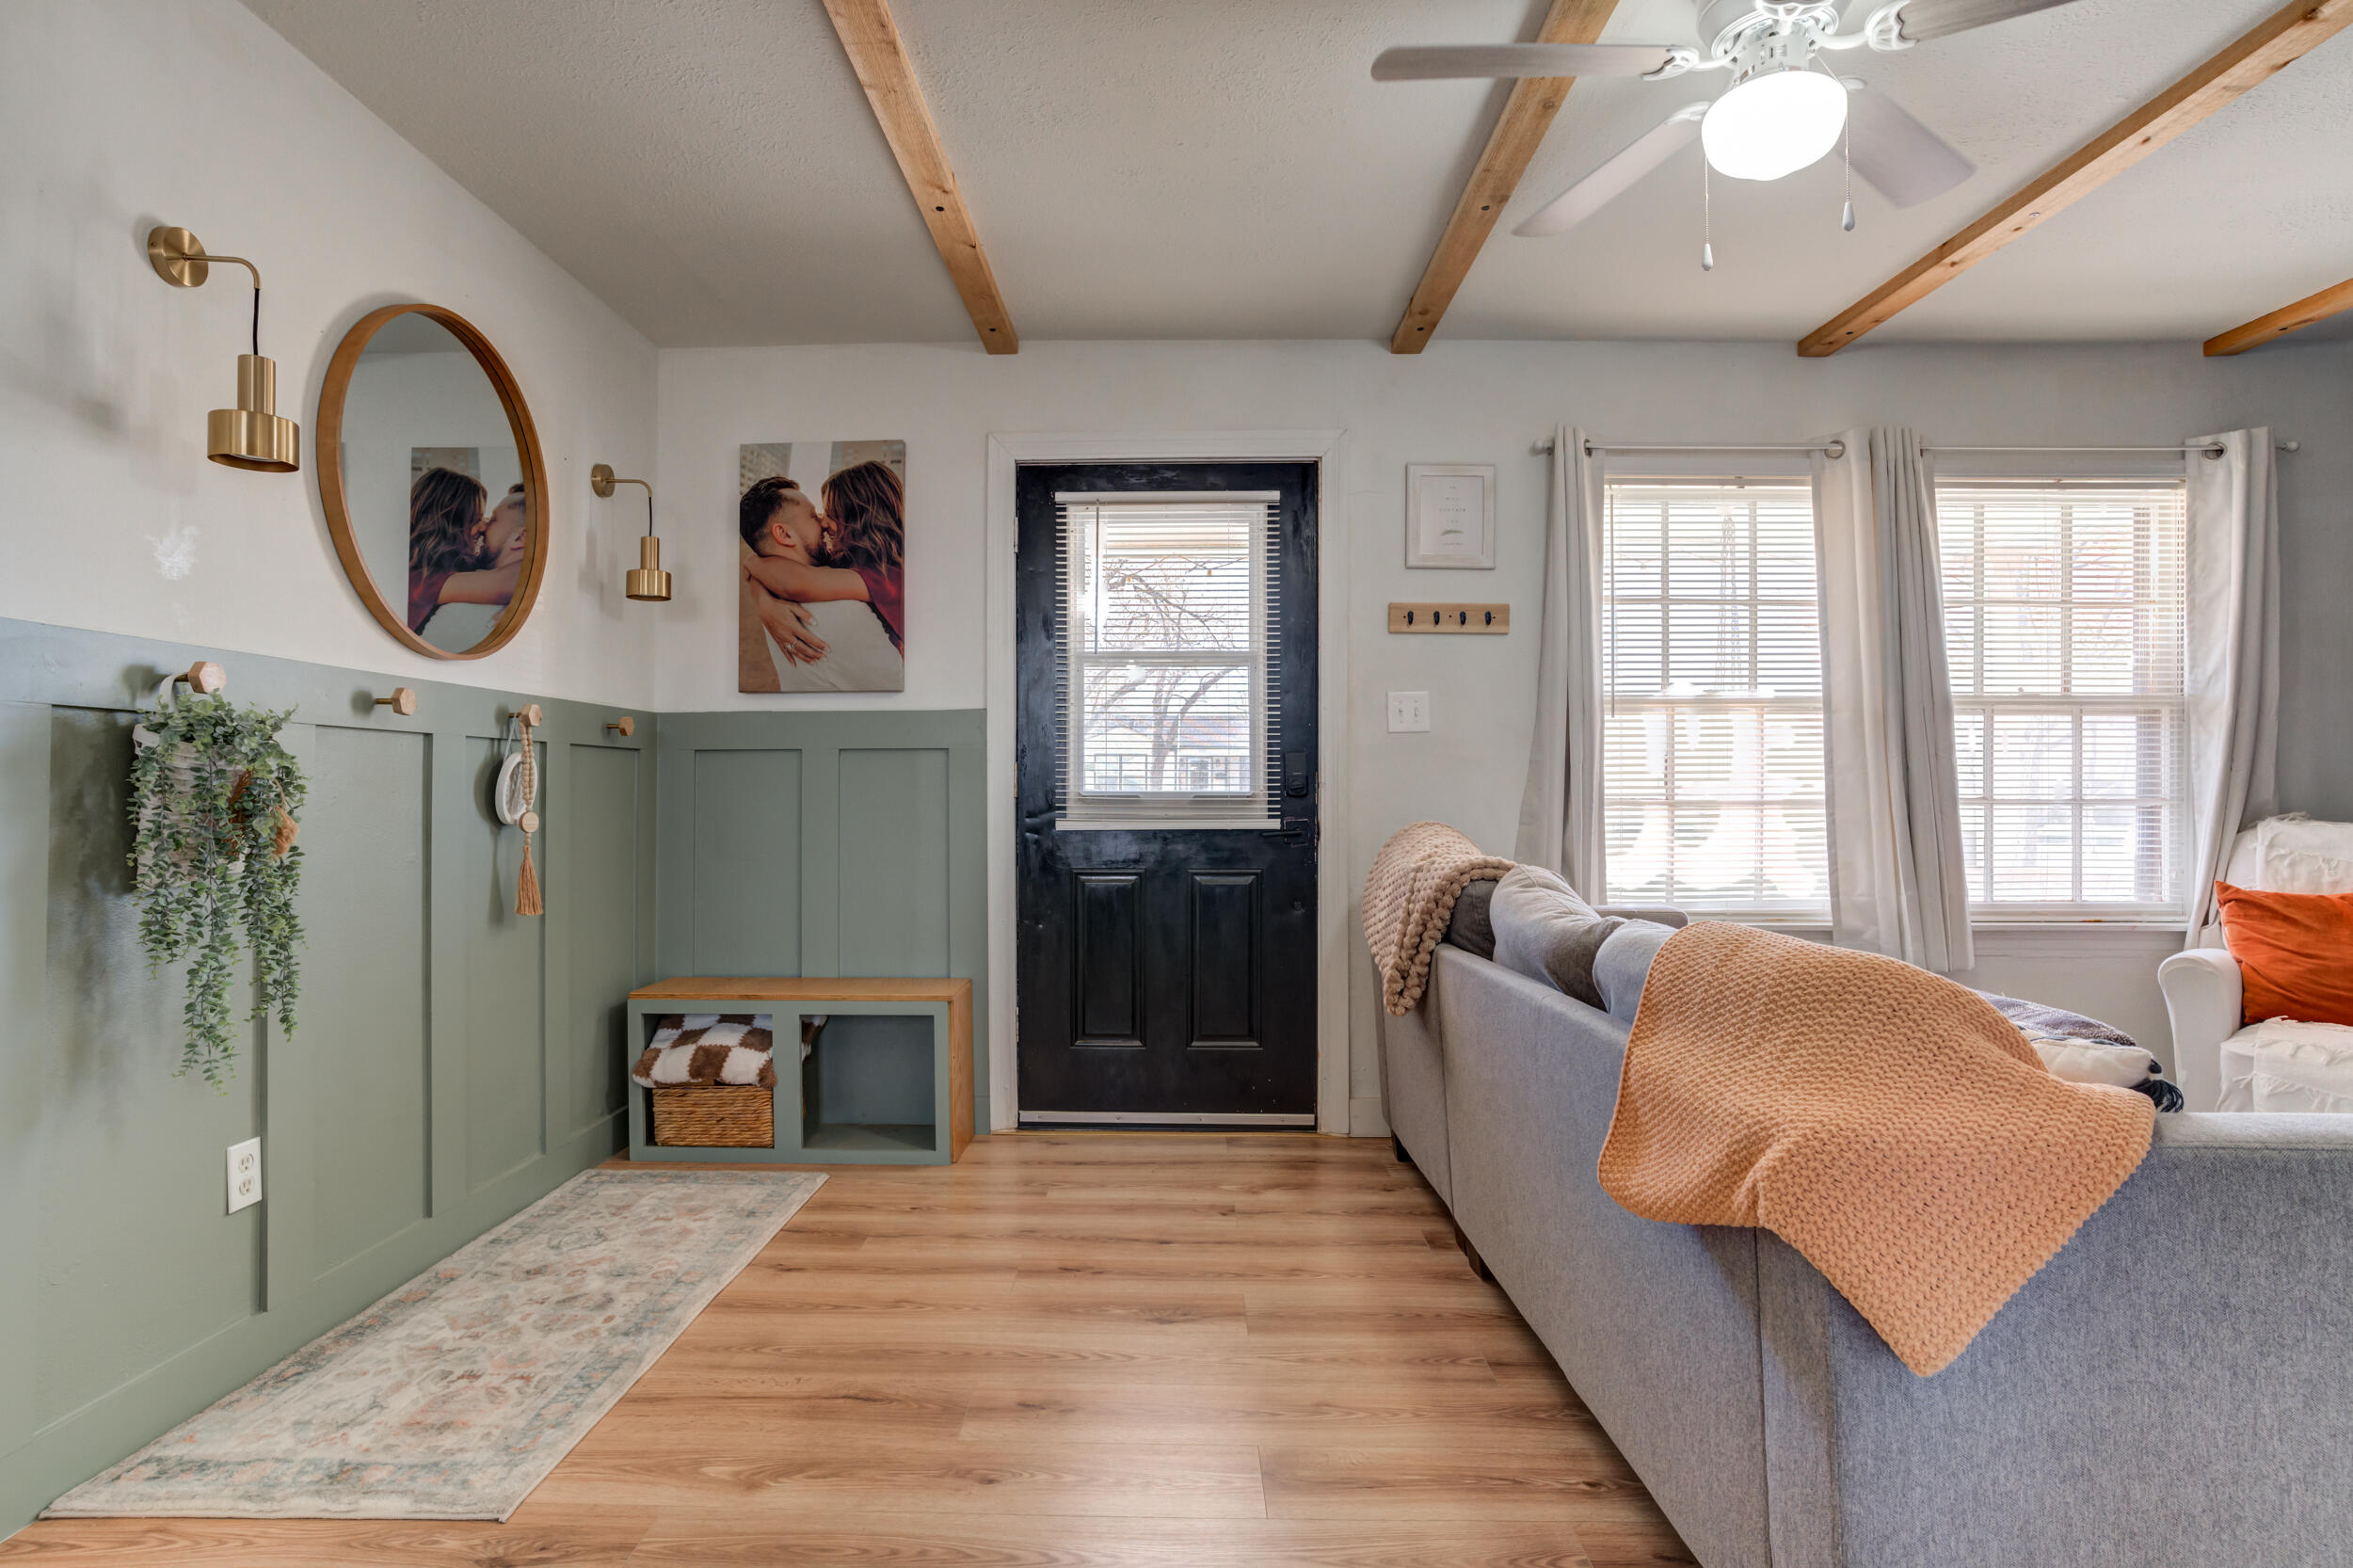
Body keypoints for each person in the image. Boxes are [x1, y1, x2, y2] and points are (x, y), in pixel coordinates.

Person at [738, 473, 904, 692]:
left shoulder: (886, 577)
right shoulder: (843, 610)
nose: (824, 522)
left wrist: (762, 596)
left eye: (831, 515)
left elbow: (796, 582)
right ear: (785, 534)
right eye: (813, 515)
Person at [407, 470, 522, 637]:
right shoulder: (421, 579)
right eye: (476, 520)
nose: (484, 528)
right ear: (447, 524)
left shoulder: (458, 568)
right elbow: (510, 582)